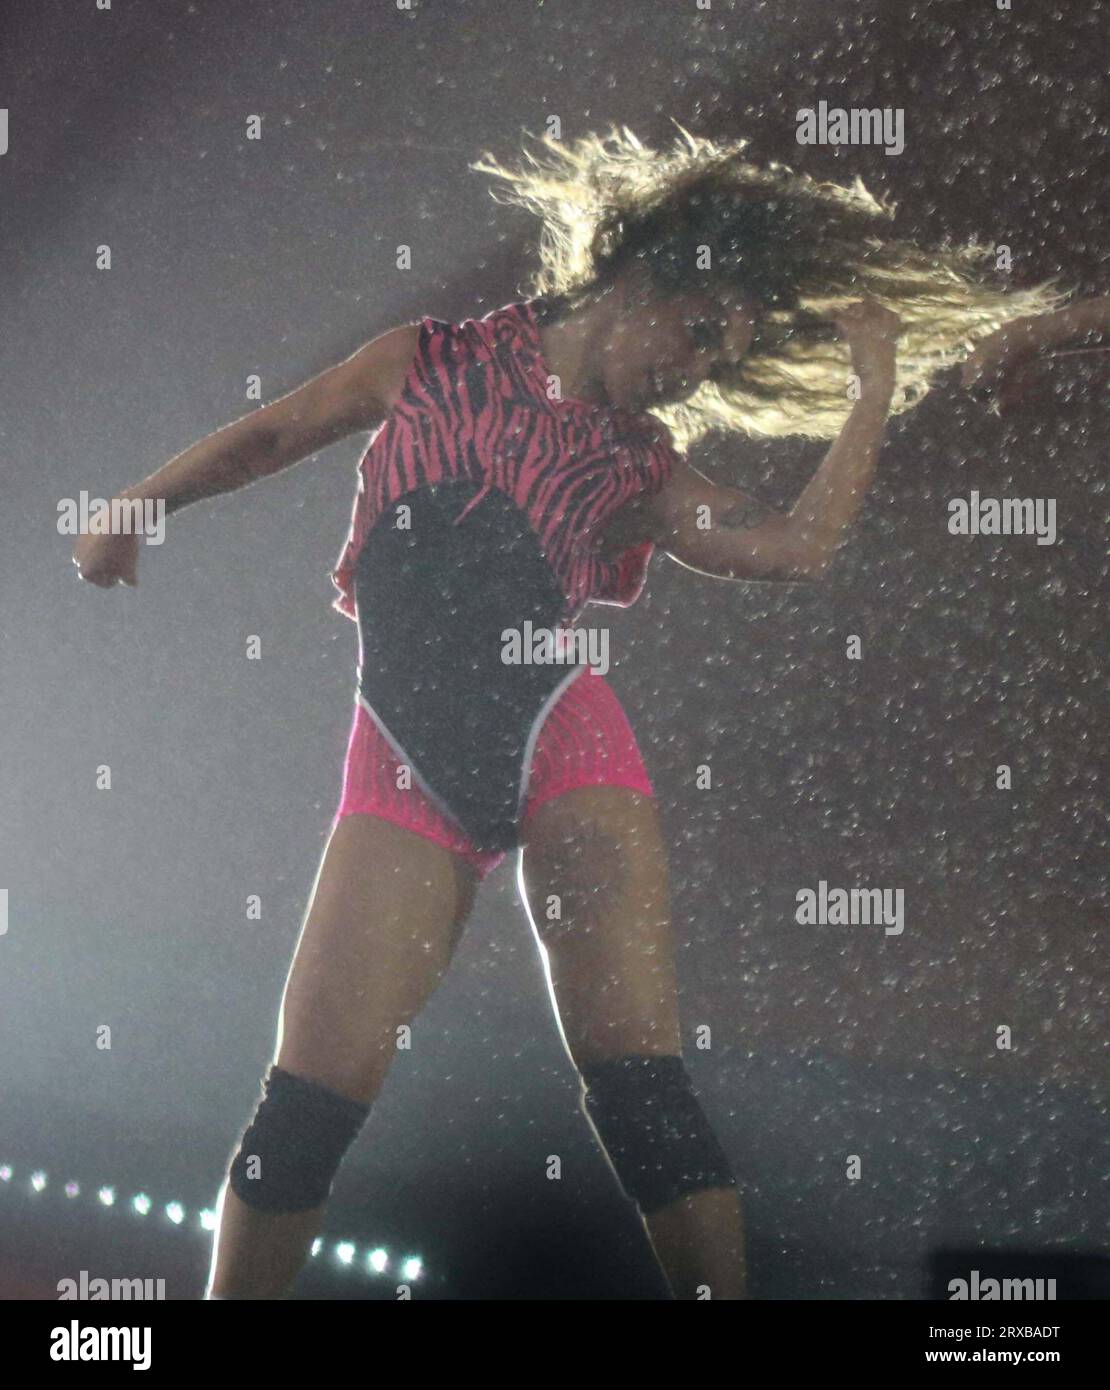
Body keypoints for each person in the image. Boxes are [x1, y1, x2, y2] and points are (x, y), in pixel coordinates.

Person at [71, 125, 1059, 1300]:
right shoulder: (426, 357)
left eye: (721, 363)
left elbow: (795, 546)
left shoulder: (639, 466)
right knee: (300, 1116)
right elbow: (277, 430)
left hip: (562, 732)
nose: (696, 374)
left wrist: (874, 390)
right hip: (400, 762)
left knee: (640, 1086)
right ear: (642, 274)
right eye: (700, 333)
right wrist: (142, 501)